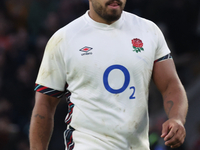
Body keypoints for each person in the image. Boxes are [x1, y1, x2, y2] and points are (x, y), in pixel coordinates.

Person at [29, 0, 188, 149]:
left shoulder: (148, 31)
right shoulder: (63, 39)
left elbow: (170, 84)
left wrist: (177, 118)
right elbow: (44, 105)